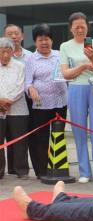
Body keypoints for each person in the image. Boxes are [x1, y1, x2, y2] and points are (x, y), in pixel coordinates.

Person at [60, 12, 93, 184]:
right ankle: (84, 172)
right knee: (79, 131)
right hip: (76, 87)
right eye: (76, 27)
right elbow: (66, 73)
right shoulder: (65, 46)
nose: (80, 30)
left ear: (88, 27)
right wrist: (84, 67)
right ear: (71, 29)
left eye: (83, 26)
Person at [25, 23, 68, 179]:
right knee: (41, 139)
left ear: (52, 40)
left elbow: (68, 74)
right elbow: (27, 82)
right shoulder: (31, 59)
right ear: (35, 42)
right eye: (40, 39)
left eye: (47, 39)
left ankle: (58, 168)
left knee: (58, 137)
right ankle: (42, 171)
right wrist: (31, 89)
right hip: (41, 105)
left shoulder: (60, 55)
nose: (44, 42)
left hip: (61, 102)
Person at [3, 24, 33, 177]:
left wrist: (8, 101)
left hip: (20, 105)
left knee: (19, 140)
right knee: (3, 141)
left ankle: (21, 170)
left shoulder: (25, 61)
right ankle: (5, 170)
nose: (13, 36)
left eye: (16, 33)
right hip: (0, 108)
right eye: (10, 34)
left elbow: (22, 84)